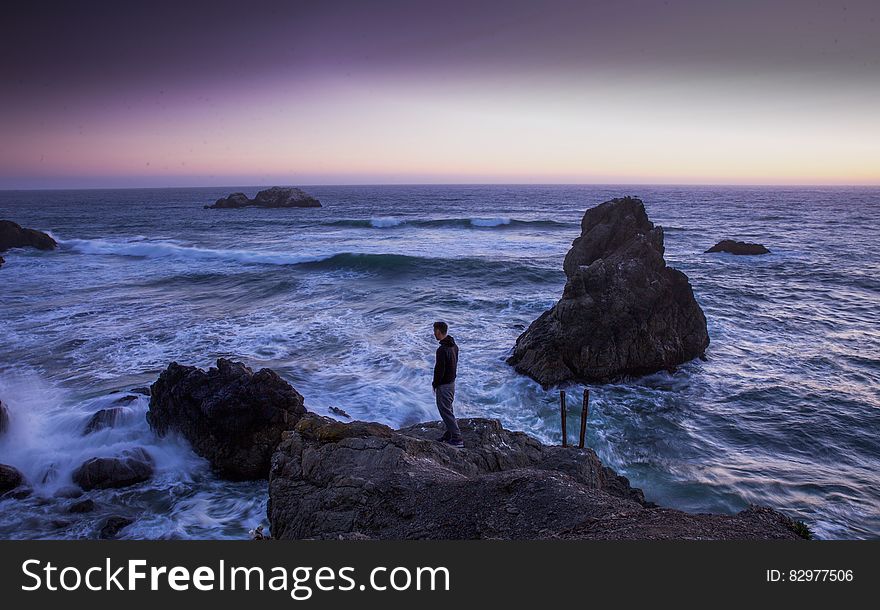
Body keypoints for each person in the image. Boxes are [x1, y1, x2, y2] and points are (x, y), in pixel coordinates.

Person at [432, 320, 463, 448]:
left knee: (444, 409)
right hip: (451, 382)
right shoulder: (454, 346)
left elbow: (439, 369)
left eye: (435, 331)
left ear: (439, 331)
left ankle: (457, 438)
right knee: (448, 408)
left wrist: (435, 384)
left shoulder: (442, 350)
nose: (434, 334)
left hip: (444, 384)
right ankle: (450, 432)